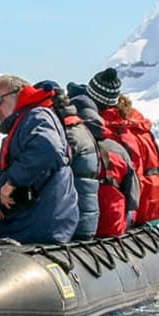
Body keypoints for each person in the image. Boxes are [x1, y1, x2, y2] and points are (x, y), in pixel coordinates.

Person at [0, 76, 79, 244]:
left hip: (34, 227)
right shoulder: (18, 130)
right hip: (21, 222)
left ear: (18, 94)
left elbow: (48, 149)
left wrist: (11, 183)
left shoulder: (37, 116)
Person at [81, 69, 159, 225]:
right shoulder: (137, 124)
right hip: (156, 200)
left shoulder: (110, 130)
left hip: (138, 207)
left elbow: (129, 174)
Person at [38, 81, 99, 240]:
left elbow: (46, 172)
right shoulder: (79, 129)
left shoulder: (65, 135)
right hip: (84, 223)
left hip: (70, 227)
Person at [71, 95, 138, 237]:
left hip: (77, 227)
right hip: (113, 223)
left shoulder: (71, 144)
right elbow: (133, 195)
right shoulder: (118, 149)